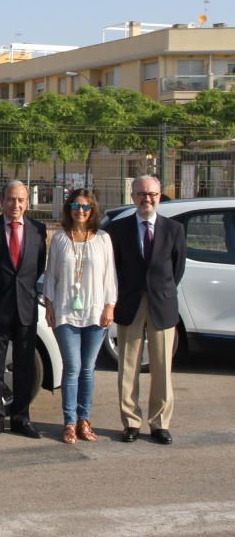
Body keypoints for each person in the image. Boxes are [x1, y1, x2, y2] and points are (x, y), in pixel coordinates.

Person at [105, 175, 186, 445]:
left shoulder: (174, 229)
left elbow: (177, 269)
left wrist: (160, 290)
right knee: (128, 365)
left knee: (162, 366)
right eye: (141, 194)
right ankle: (131, 422)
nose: (146, 199)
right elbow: (114, 268)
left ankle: (160, 423)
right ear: (133, 196)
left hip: (162, 304)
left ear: (159, 196)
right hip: (130, 303)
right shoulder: (118, 229)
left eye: (151, 194)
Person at [43, 189, 116, 444]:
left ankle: (85, 419)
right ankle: (70, 422)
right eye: (76, 205)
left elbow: (110, 277)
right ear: (69, 208)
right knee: (72, 368)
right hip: (65, 312)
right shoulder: (61, 238)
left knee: (88, 369)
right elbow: (50, 275)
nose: (81, 211)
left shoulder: (103, 239)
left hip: (95, 312)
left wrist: (110, 306)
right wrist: (49, 304)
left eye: (86, 207)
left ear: (93, 210)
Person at [0, 180, 46, 440]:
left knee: (24, 368)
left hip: (27, 308)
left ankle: (21, 419)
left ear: (27, 203)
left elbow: (37, 267)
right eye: (10, 199)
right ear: (2, 200)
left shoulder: (39, 230)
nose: (15, 205)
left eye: (20, 200)